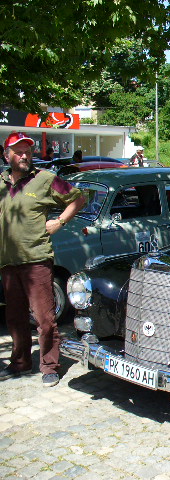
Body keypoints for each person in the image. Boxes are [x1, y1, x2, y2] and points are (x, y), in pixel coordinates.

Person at [0, 132, 86, 386]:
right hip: (8, 262)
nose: (24, 155)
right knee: (15, 318)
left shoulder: (45, 179)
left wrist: (59, 222)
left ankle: (50, 366)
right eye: (18, 151)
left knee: (45, 319)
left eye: (28, 151)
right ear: (7, 155)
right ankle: (20, 362)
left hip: (36, 260)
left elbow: (78, 198)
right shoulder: (1, 182)